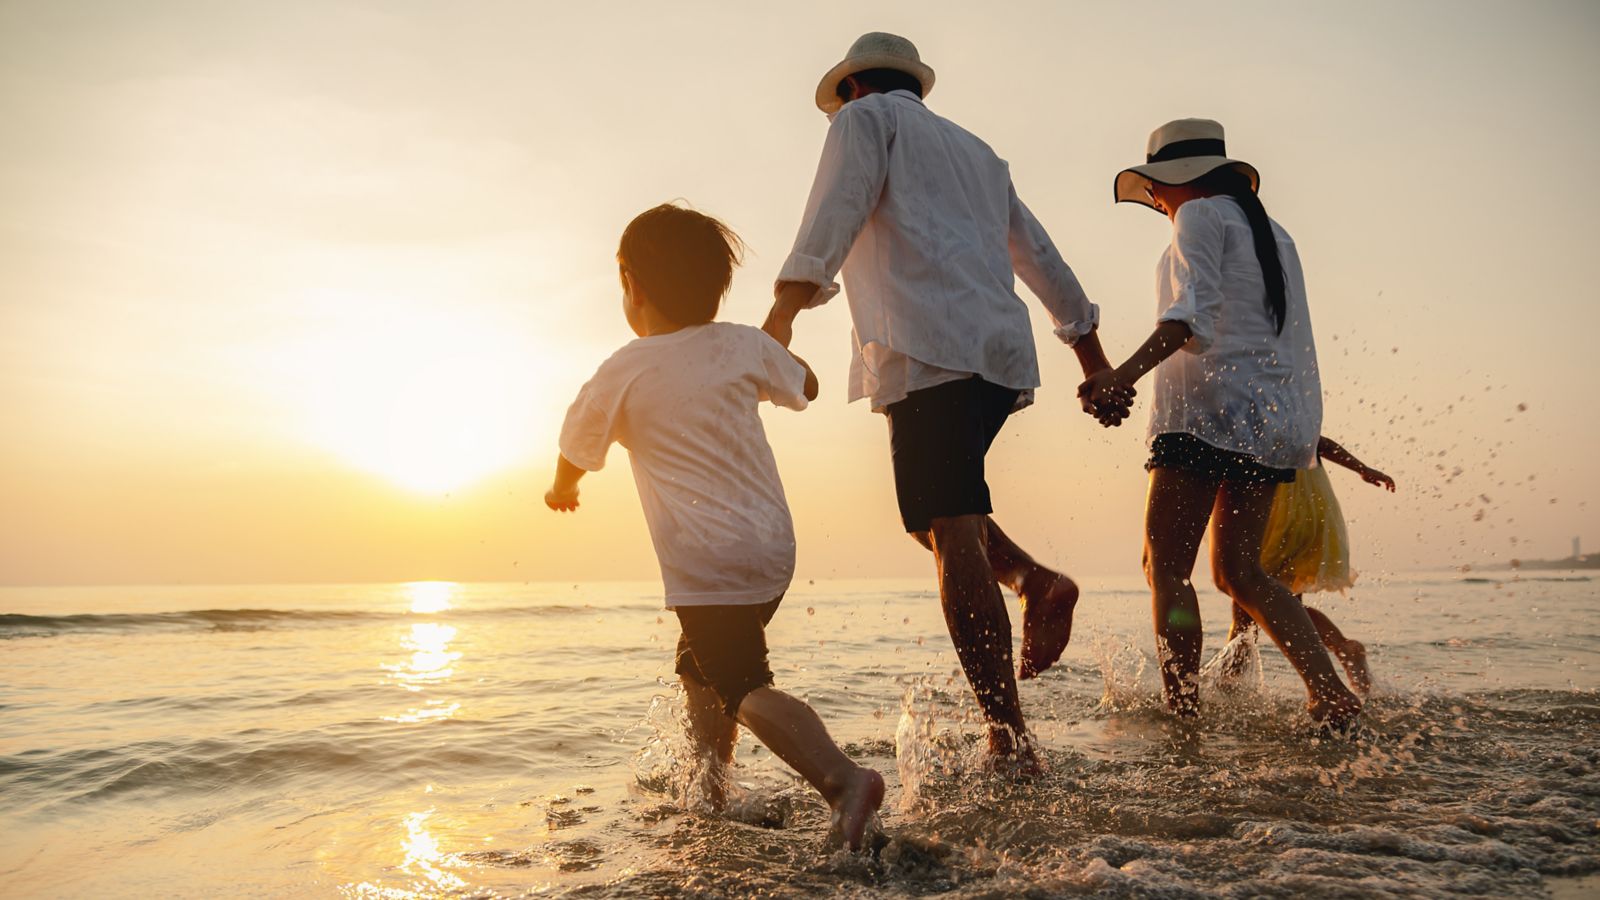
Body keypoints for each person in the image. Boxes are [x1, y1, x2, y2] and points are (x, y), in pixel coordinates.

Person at [761, 32, 1119, 769]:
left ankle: (1010, 739)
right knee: (934, 515)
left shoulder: (863, 123)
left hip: (929, 347)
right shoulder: (978, 154)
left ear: (853, 88)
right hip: (993, 356)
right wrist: (1091, 356)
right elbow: (1038, 254)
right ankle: (1033, 581)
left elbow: (835, 212)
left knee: (949, 527)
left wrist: (780, 317)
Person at [546, 203, 884, 849]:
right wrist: (767, 354)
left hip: (708, 559)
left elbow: (576, 448)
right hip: (771, 550)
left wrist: (560, 490)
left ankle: (841, 778)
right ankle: (710, 792)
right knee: (700, 667)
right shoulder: (741, 343)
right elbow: (804, 386)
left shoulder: (623, 368)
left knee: (740, 682)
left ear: (631, 283)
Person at [1080, 118, 1362, 728]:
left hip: (1206, 416)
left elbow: (1188, 321)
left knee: (1166, 568)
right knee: (1239, 571)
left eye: (1157, 187)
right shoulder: (1275, 233)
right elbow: (1286, 342)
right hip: (1270, 424)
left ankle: (1182, 713)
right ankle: (1330, 694)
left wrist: (1118, 376)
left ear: (1179, 181)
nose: (1156, 200)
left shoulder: (1200, 217)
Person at [1210, 435, 1397, 695]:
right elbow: (1320, 442)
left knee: (1249, 591)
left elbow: (1318, 442)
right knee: (1271, 599)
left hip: (1279, 509)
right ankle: (1342, 648)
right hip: (1310, 505)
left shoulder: (1257, 412)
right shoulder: (1294, 412)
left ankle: (1230, 680)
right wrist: (1361, 468)